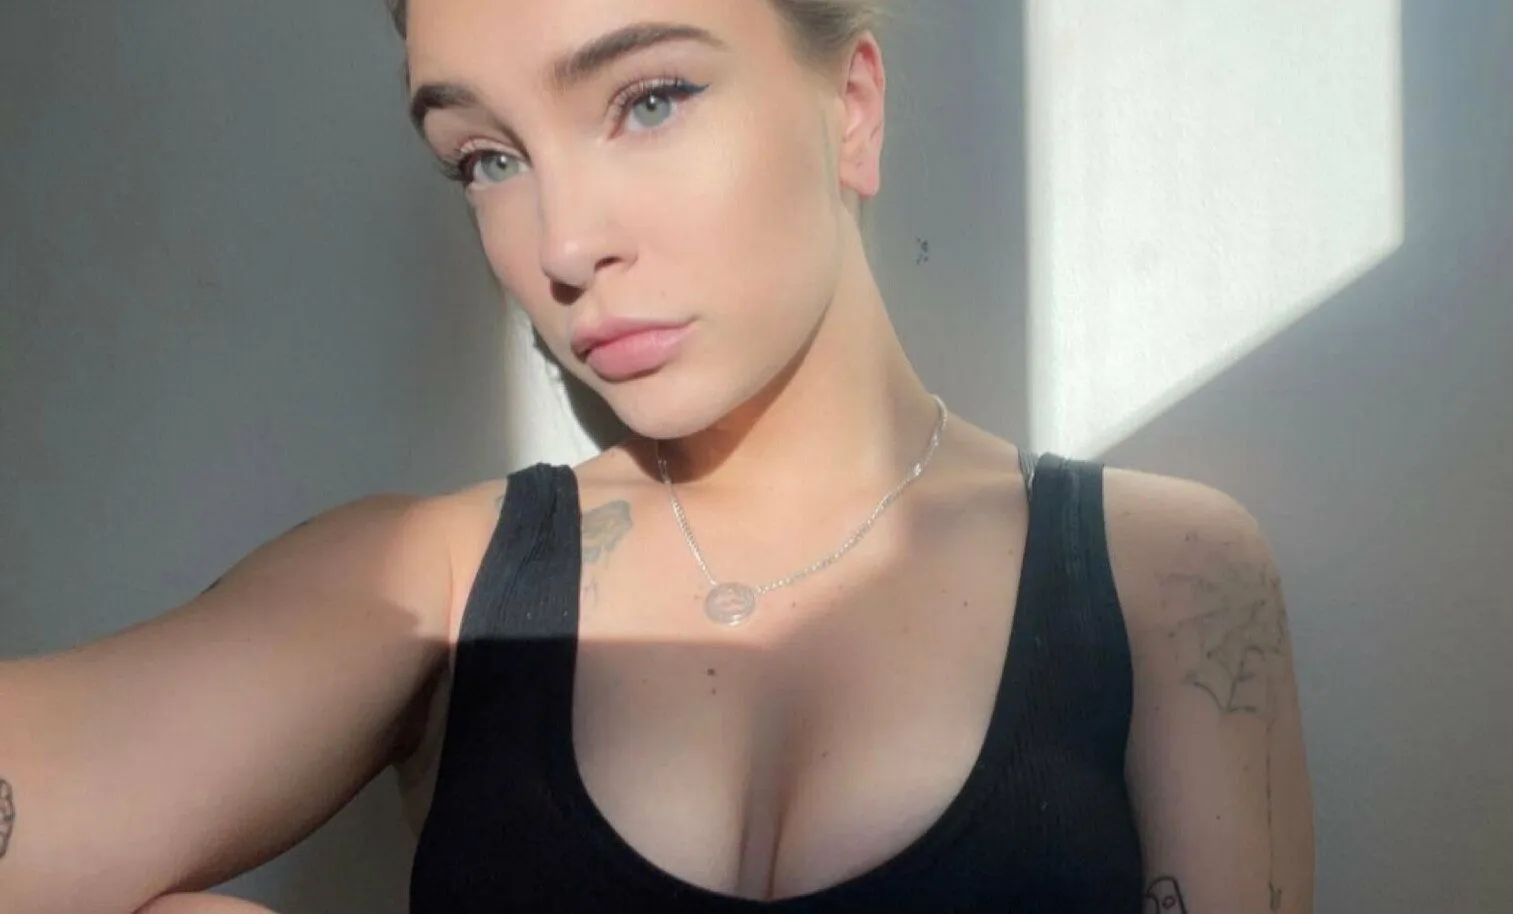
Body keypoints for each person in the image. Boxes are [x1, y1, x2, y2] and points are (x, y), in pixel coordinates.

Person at [0, 0, 1314, 911]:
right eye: (487, 158)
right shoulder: (439, 579)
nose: (563, 243)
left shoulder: (1164, 572)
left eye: (650, 99)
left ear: (851, 109)